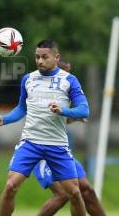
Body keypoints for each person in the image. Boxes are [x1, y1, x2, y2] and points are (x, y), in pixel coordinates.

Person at [0, 39, 89, 216]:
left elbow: (84, 109)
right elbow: (21, 108)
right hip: (30, 143)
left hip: (57, 145)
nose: (40, 61)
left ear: (56, 57)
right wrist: (4, 119)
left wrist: (63, 111)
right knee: (11, 186)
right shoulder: (28, 79)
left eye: (45, 57)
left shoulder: (69, 80)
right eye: (37, 57)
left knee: (74, 192)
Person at [32, 59, 106, 216]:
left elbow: (60, 117)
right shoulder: (42, 90)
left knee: (87, 191)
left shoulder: (66, 89)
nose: (69, 75)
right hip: (42, 151)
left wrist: (73, 116)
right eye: (66, 72)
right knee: (64, 194)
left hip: (61, 151)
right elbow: (47, 117)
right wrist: (72, 114)